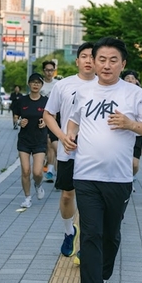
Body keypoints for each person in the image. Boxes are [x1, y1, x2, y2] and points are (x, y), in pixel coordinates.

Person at [62, 37, 142, 283]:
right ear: (93, 61)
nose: (105, 65)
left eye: (112, 60)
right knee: (91, 232)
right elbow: (75, 119)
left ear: (123, 63)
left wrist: (130, 124)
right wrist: (69, 135)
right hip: (86, 174)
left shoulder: (134, 94)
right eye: (100, 59)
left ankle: (100, 279)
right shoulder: (83, 91)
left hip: (118, 178)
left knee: (111, 235)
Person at [43, 42, 96, 260]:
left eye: (93, 57)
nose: (88, 60)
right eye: (84, 56)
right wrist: (62, 136)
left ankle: (85, 242)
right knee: (67, 196)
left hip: (93, 154)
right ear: (77, 61)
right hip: (68, 151)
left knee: (87, 200)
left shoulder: (104, 87)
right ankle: (68, 232)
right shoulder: (63, 85)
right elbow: (48, 115)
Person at [12, 73, 48, 209]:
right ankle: (27, 198)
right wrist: (20, 121)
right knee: (26, 170)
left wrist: (45, 122)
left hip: (39, 139)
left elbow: (53, 116)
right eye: (33, 82)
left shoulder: (46, 101)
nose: (35, 85)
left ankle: (38, 185)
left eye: (38, 83)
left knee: (38, 172)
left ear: (41, 85)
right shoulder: (22, 100)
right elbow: (15, 117)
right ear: (29, 84)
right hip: (24, 140)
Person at [40, 60, 60, 182]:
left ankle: (51, 170)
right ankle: (50, 167)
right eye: (47, 70)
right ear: (44, 71)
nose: (49, 72)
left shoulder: (58, 84)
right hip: (41, 118)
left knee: (52, 144)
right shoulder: (39, 84)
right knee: (48, 146)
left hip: (55, 118)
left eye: (51, 70)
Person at [121, 70, 142, 176]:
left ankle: (131, 177)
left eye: (132, 78)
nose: (130, 80)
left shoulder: (141, 95)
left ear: (136, 81)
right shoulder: (118, 94)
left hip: (137, 134)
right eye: (127, 78)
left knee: (134, 164)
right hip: (122, 134)